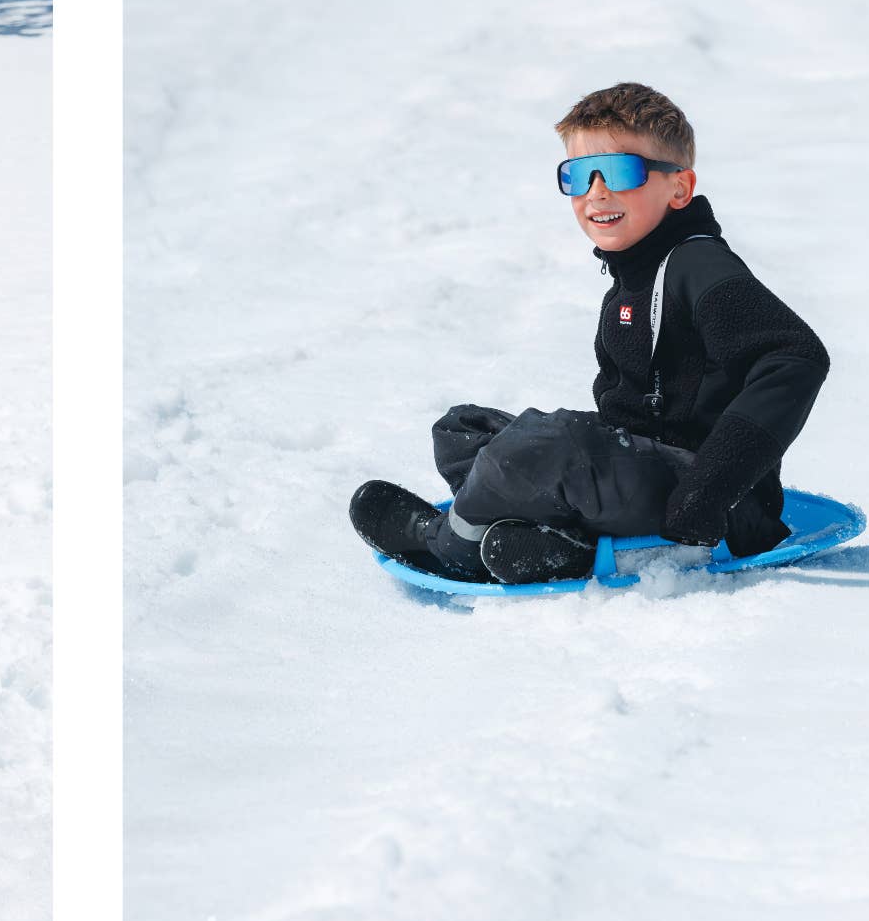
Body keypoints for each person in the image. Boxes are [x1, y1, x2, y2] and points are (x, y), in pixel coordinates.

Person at [350, 81, 830, 584]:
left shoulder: (699, 264)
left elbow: (795, 356)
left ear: (680, 188)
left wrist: (709, 489)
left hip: (715, 509)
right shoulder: (631, 277)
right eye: (579, 175)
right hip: (646, 477)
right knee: (463, 430)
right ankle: (562, 547)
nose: (597, 191)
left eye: (621, 171)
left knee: (546, 444)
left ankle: (450, 543)